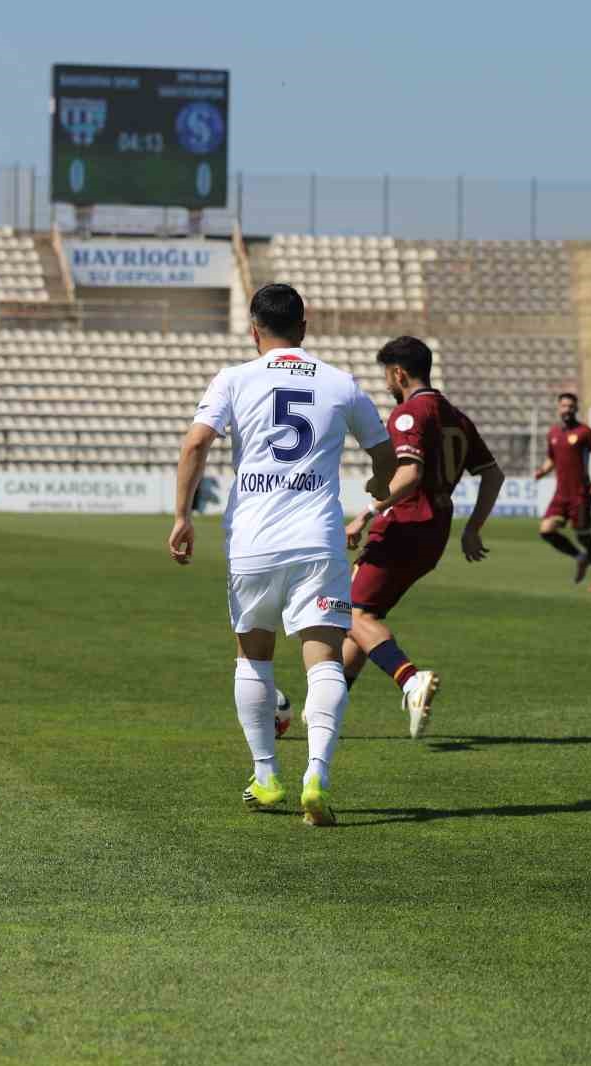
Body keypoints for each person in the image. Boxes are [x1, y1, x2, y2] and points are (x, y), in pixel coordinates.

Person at [168, 283, 395, 827]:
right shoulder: (341, 383)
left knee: (254, 658)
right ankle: (317, 773)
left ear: (254, 330)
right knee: (323, 663)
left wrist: (182, 517)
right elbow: (385, 457)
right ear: (305, 326)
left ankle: (266, 776)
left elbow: (195, 443)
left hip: (253, 542)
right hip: (317, 540)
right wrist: (375, 497)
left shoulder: (235, 378)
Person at [340, 337, 506, 738]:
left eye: (387, 376)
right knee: (361, 615)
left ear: (399, 373)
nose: (386, 384)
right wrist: (473, 528)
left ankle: (411, 681)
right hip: (435, 530)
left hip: (405, 523)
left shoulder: (409, 413)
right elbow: (493, 474)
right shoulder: (456, 417)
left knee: (352, 614)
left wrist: (367, 512)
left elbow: (410, 474)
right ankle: (325, 704)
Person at [534, 392, 591, 591]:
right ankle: (580, 557)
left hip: (580, 494)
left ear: (576, 409)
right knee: (546, 530)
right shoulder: (553, 434)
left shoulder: (585, 432)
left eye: (571, 406)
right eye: (564, 406)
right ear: (558, 408)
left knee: (583, 537)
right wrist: (543, 471)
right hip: (561, 495)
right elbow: (552, 458)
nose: (567, 410)